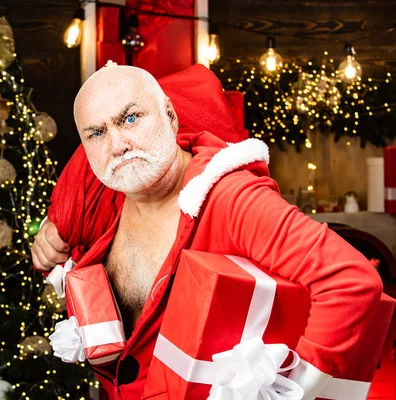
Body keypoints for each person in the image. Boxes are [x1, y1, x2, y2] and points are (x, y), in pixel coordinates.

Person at [30, 62, 383, 399]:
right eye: (97, 133)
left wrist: (293, 389)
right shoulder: (106, 202)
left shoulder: (229, 198)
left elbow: (351, 282)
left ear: (170, 115)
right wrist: (46, 245)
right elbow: (65, 250)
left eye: (131, 118)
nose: (117, 145)